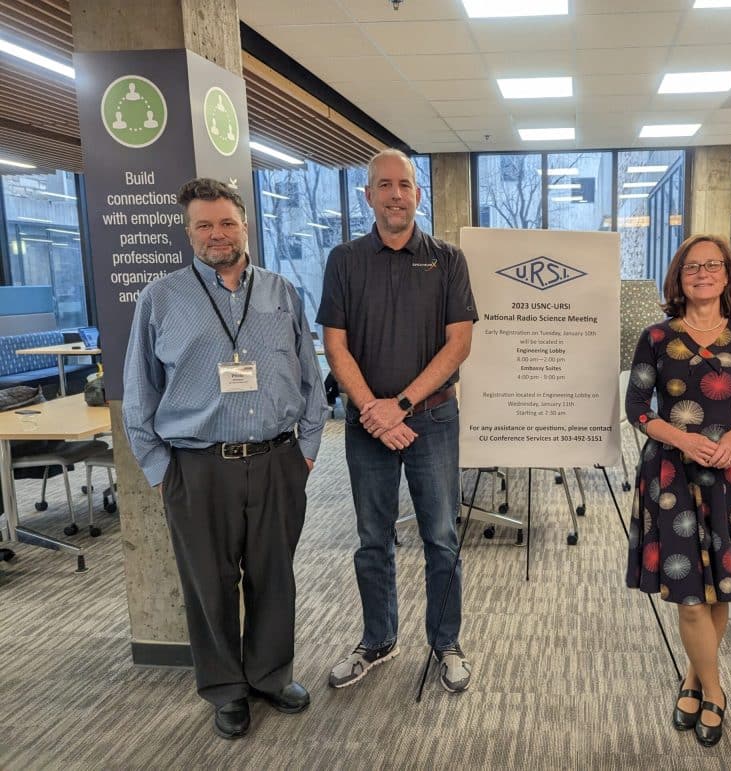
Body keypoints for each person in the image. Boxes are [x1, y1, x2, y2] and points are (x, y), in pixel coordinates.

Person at [123, 178, 329, 740]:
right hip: (197, 466)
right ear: (188, 233)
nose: (218, 234)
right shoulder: (160, 298)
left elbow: (311, 379)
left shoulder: (283, 292)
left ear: (245, 225)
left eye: (227, 223)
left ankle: (268, 675)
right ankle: (225, 690)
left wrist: (306, 450)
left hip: (276, 460)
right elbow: (139, 394)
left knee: (273, 577)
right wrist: (163, 472)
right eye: (204, 225)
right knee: (209, 584)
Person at [317, 149, 477, 694]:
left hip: (431, 420)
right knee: (372, 539)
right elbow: (334, 346)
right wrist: (373, 412)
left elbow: (459, 345)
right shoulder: (344, 260)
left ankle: (445, 641)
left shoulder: (448, 259)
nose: (395, 195)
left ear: (417, 194)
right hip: (367, 427)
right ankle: (378, 639)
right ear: (368, 195)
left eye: (404, 185)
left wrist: (400, 406)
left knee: (441, 535)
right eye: (383, 185)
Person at [625, 234, 731, 748]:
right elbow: (639, 409)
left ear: (727, 276)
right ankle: (716, 691)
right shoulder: (656, 336)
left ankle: (692, 678)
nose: (703, 273)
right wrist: (685, 439)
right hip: (672, 476)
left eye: (713, 265)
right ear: (678, 277)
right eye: (692, 267)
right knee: (689, 597)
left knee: (719, 588)